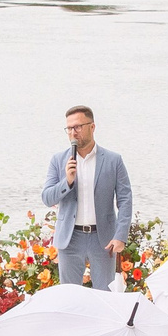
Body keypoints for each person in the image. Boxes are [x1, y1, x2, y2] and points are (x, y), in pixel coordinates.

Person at [38, 104, 133, 288]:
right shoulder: (59, 160)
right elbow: (47, 198)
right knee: (70, 296)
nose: (74, 132)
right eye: (69, 128)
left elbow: (125, 200)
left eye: (78, 127)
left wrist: (120, 236)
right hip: (70, 238)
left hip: (103, 239)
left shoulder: (113, 160)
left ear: (92, 127)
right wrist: (67, 181)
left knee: (105, 295)